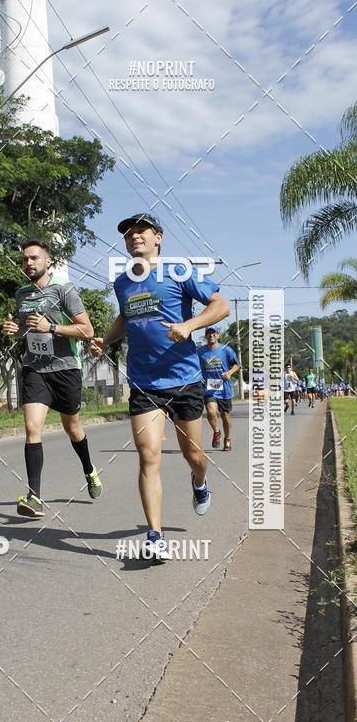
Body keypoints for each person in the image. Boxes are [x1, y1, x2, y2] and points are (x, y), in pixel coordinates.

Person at [90, 212, 229, 561]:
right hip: (143, 381)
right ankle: (155, 534)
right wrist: (106, 339)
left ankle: (199, 482)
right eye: (129, 234)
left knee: (193, 456)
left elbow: (221, 305)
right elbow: (126, 316)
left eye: (142, 231)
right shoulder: (123, 282)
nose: (134, 237)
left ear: (158, 238)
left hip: (184, 379)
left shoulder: (179, 273)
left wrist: (190, 325)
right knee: (148, 455)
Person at [2, 239, 103, 517]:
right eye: (25, 259)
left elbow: (87, 330)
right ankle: (34, 497)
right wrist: (15, 330)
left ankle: (89, 469)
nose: (29, 263)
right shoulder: (22, 293)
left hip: (66, 368)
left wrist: (53, 326)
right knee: (32, 428)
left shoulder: (63, 288)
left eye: (34, 258)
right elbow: (26, 329)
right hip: (35, 368)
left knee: (72, 427)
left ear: (48, 261)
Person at [197, 326, 240, 451]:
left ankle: (227, 438)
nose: (211, 335)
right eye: (209, 333)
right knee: (210, 411)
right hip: (209, 386)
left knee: (225, 415)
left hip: (224, 386)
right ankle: (216, 431)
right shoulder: (200, 351)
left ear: (218, 335)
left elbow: (237, 364)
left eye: (214, 333)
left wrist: (230, 373)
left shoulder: (226, 350)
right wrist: (199, 376)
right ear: (205, 336)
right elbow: (194, 366)